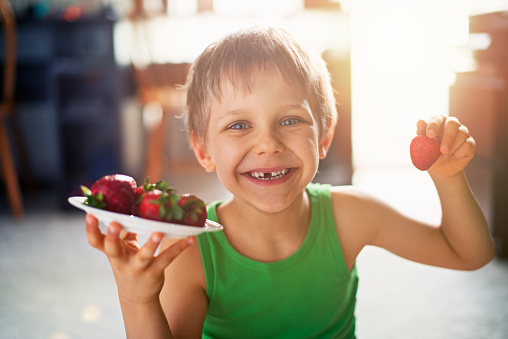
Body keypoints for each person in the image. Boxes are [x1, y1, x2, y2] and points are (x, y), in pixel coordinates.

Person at [85, 26, 495, 339]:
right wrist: (137, 298)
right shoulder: (190, 250)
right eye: (239, 125)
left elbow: (468, 254)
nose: (268, 143)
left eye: (290, 120)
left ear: (325, 136)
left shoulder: (350, 215)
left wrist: (449, 178)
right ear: (203, 149)